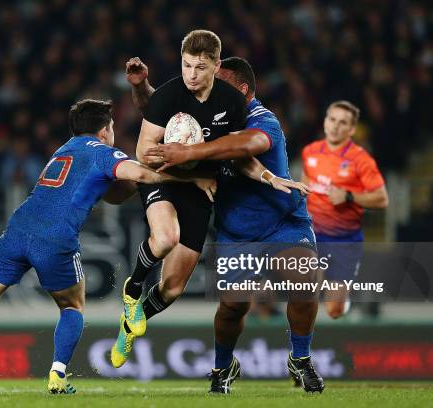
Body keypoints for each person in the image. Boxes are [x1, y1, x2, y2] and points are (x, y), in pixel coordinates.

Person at [0, 99, 214, 395]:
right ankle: (58, 374)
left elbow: (114, 192)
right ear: (105, 130)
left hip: (17, 231)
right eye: (112, 127)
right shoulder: (103, 152)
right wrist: (189, 178)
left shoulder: (62, 151)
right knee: (72, 307)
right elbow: (142, 174)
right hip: (55, 239)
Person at [110, 30, 305, 369]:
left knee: (172, 289)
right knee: (166, 237)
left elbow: (238, 152)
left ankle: (131, 323)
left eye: (200, 67)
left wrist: (270, 177)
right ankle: (132, 291)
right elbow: (145, 154)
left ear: (215, 66)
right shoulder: (170, 94)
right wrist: (191, 173)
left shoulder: (229, 103)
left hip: (201, 189)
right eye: (186, 66)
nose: (192, 74)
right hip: (165, 178)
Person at [139, 56, 325, 394]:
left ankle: (300, 359)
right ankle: (223, 367)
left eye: (219, 83)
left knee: (304, 280)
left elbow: (248, 145)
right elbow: (164, 110)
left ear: (241, 90)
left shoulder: (261, 118)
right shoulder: (209, 116)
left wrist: (191, 153)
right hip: (235, 232)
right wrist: (141, 88)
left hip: (282, 222)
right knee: (233, 306)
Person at [301, 101, 388, 319]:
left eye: (343, 123)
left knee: (334, 311)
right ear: (324, 122)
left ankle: (344, 298)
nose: (336, 126)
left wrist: (349, 196)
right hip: (313, 235)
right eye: (332, 120)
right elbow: (305, 187)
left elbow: (382, 199)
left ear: (351, 130)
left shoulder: (361, 160)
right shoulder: (310, 152)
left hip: (344, 240)